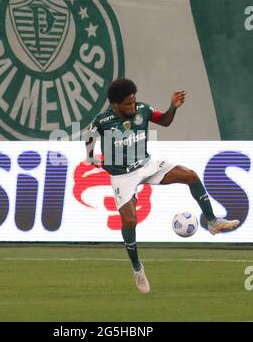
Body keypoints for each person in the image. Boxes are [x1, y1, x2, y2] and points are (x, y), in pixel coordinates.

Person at [85, 78, 240, 294]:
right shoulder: (103, 120)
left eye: (134, 101)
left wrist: (173, 107)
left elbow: (165, 121)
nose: (133, 106)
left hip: (147, 165)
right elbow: (88, 137)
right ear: (115, 105)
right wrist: (92, 159)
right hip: (122, 176)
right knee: (130, 220)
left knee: (191, 176)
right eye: (128, 104)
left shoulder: (143, 110)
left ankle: (213, 222)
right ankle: (137, 268)